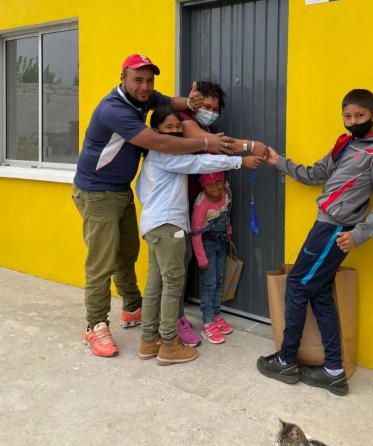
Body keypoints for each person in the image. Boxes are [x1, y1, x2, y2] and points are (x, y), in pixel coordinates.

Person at [72, 54, 234, 358]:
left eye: (149, 80)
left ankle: (132, 307)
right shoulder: (113, 109)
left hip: (119, 190)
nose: (145, 86)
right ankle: (95, 325)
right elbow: (159, 143)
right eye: (138, 79)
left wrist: (192, 102)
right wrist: (205, 143)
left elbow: (175, 102)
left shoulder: (142, 99)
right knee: (102, 261)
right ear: (123, 78)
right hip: (96, 192)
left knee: (127, 252)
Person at [256, 89, 373, 395]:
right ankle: (334, 370)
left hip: (336, 230)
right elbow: (314, 174)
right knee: (318, 291)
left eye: (359, 116)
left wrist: (359, 233)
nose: (352, 122)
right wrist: (279, 161)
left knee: (296, 284)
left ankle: (285, 360)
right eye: (347, 116)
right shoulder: (343, 144)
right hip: (324, 225)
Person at [135, 107, 263, 364]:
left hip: (154, 226)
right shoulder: (165, 154)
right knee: (172, 285)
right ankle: (169, 344)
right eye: (167, 127)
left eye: (177, 127)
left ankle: (149, 341)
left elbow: (142, 190)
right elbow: (198, 163)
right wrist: (240, 160)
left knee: (156, 284)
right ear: (156, 131)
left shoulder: (152, 158)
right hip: (169, 227)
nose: (174, 131)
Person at [175, 80, 268, 347]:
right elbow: (214, 145)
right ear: (193, 102)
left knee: (210, 273)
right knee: (178, 268)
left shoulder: (211, 129)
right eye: (206, 106)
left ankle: (211, 316)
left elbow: (220, 145)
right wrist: (250, 147)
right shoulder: (183, 120)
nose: (210, 111)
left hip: (211, 219)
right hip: (182, 210)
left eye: (215, 108)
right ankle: (176, 320)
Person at [190, 171, 234, 344]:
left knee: (219, 279)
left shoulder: (227, 192)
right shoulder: (201, 205)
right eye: (209, 184)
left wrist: (228, 231)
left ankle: (216, 315)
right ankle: (208, 322)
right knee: (209, 283)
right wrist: (201, 259)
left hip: (222, 243)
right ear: (202, 185)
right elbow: (195, 234)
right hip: (207, 245)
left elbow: (227, 214)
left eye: (219, 182)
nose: (215, 188)